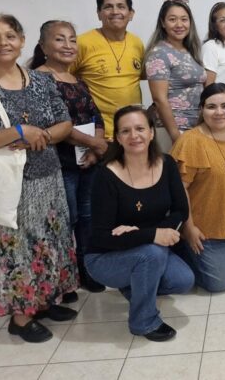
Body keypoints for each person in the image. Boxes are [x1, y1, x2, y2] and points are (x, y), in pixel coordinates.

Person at [0, 13, 77, 343]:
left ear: (22, 41)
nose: (3, 42)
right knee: (17, 251)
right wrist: (17, 132)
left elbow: (64, 123)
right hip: (6, 185)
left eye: (10, 35)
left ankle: (45, 300)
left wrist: (43, 136)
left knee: (49, 242)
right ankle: (21, 318)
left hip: (46, 178)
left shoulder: (41, 81)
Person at [86, 105, 194, 342]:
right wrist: (152, 235)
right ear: (117, 138)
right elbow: (101, 237)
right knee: (152, 254)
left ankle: (134, 286)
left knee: (183, 280)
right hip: (105, 257)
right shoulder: (106, 175)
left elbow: (180, 210)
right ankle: (143, 322)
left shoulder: (166, 163)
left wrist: (148, 233)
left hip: (144, 245)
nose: (134, 136)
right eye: (125, 131)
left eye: (140, 129)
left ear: (152, 132)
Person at [29, 20, 108, 295]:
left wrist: (94, 150)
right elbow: (54, 125)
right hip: (57, 164)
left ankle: (87, 271)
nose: (68, 45)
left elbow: (95, 115)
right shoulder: (37, 80)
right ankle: (63, 277)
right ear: (43, 47)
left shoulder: (77, 79)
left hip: (87, 162)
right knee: (64, 219)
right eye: (60, 39)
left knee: (87, 217)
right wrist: (95, 144)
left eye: (72, 40)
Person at [171, 83, 225, 292]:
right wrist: (189, 228)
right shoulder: (190, 142)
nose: (219, 112)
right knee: (218, 284)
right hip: (206, 229)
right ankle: (180, 249)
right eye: (211, 107)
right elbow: (178, 190)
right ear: (202, 109)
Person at [72, 0, 144, 140]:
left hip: (133, 134)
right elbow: (62, 78)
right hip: (98, 135)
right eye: (108, 7)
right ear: (99, 14)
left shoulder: (137, 43)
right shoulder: (83, 43)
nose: (115, 12)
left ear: (131, 14)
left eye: (121, 6)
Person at [144, 0, 206, 150]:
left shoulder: (190, 51)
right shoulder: (158, 53)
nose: (179, 25)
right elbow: (159, 99)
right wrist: (175, 136)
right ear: (163, 23)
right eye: (172, 19)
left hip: (196, 127)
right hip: (172, 129)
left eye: (184, 19)